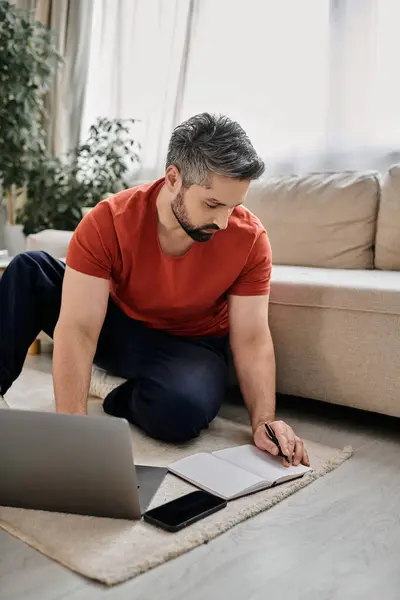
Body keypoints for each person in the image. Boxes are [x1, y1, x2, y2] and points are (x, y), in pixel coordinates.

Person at [0, 113, 309, 468]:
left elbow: (252, 337)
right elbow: (80, 327)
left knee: (182, 413)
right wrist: (74, 429)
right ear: (174, 178)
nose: (224, 222)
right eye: (212, 204)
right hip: (116, 327)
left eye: (233, 206)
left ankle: (117, 391)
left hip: (189, 348)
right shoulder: (107, 222)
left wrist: (264, 420)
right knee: (28, 269)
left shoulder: (250, 239)